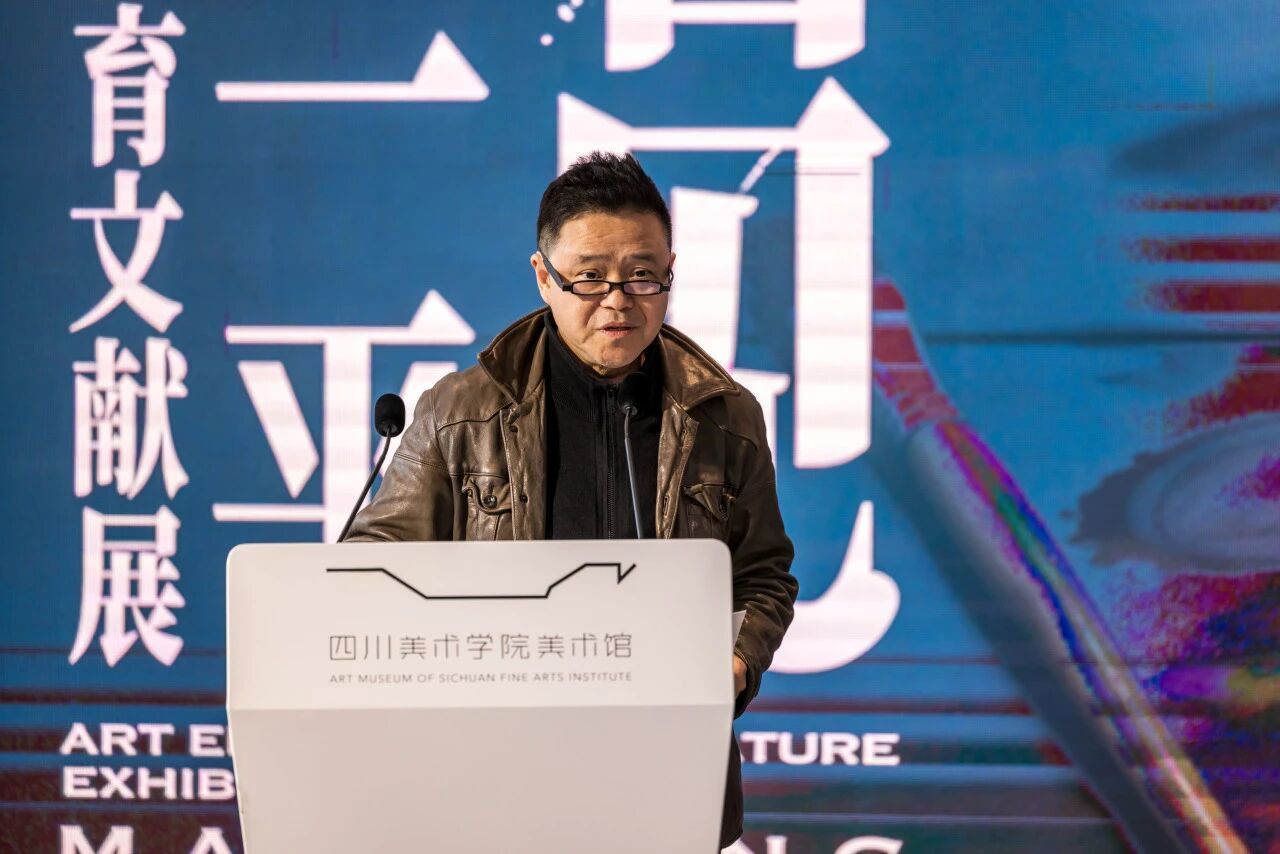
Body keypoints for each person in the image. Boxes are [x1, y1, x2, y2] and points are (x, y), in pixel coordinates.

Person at [345, 151, 798, 848]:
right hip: (494, 769)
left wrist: (734, 666)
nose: (618, 300)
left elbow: (763, 573)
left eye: (643, 276)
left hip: (668, 766)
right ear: (543, 276)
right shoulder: (460, 412)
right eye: (589, 277)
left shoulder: (724, 417)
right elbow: (373, 568)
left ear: (671, 272)